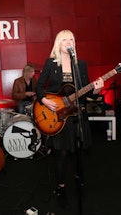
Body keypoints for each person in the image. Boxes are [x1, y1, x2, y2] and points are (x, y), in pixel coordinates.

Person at [35, 29, 103, 208]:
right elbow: (39, 87)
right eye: (64, 39)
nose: (68, 42)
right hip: (58, 116)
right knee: (62, 155)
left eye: (71, 39)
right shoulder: (51, 64)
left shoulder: (80, 64)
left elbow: (88, 93)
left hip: (76, 115)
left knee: (79, 153)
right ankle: (61, 187)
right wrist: (45, 101)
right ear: (58, 43)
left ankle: (79, 182)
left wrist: (96, 90)